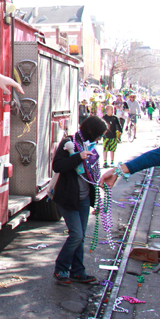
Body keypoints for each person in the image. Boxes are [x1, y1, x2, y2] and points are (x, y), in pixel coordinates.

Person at [52, 115, 107, 286]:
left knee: (80, 237)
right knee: (76, 235)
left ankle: (78, 271)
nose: (100, 138)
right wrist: (78, 157)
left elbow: (93, 174)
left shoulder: (90, 145)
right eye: (99, 134)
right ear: (91, 131)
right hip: (68, 198)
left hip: (83, 199)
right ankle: (61, 268)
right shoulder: (69, 142)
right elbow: (57, 166)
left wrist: (99, 196)